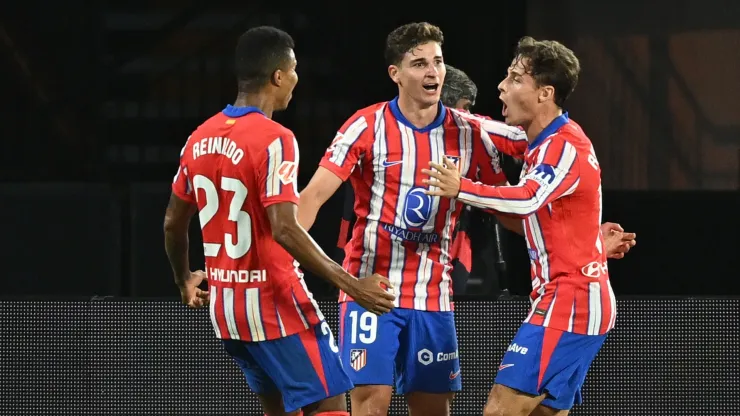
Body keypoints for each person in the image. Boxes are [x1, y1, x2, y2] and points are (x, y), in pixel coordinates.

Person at [163, 26, 395, 416]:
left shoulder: (198, 138)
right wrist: (353, 286)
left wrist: (183, 279)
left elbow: (173, 222)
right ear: (278, 76)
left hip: (228, 308)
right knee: (330, 402)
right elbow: (284, 228)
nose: (297, 79)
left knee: (280, 409)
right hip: (275, 302)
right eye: (294, 69)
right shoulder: (275, 138)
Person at [297, 22, 512, 416]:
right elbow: (311, 198)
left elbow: (509, 207)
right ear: (395, 73)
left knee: (432, 410)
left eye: (438, 62)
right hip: (370, 290)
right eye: (419, 64)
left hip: (433, 295)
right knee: (370, 405)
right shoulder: (366, 125)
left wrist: (580, 235)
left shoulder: (470, 133)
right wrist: (282, 257)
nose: (432, 73)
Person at [423, 36, 617, 415]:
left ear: (545, 93)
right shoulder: (543, 138)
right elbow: (499, 133)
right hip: (574, 297)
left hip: (571, 301)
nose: (502, 85)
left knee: (500, 409)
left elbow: (527, 198)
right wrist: (441, 110)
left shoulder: (564, 147)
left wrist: (460, 187)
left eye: (514, 78)